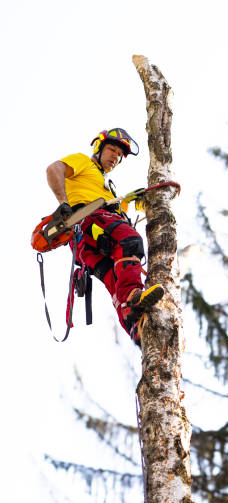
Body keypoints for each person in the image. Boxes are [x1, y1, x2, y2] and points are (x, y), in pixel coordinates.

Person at [46, 127, 164, 345]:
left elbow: (118, 211)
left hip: (87, 244)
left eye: (119, 155)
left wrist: (138, 198)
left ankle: (136, 329)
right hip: (87, 220)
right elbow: (54, 169)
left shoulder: (106, 187)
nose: (115, 157)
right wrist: (63, 203)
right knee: (131, 242)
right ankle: (132, 295)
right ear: (99, 148)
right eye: (112, 150)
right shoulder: (83, 162)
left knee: (115, 278)